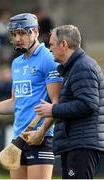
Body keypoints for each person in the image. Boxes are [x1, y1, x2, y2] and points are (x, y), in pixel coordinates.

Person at [0, 13, 63, 179]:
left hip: (41, 138)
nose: (18, 38)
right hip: (18, 139)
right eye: (14, 34)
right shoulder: (17, 63)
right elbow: (14, 103)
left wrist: (41, 131)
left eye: (22, 33)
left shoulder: (48, 59)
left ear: (35, 32)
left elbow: (57, 104)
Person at [34, 24, 104, 179]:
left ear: (63, 44)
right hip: (77, 142)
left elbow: (88, 104)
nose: (49, 48)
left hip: (81, 144)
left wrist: (53, 110)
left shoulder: (82, 67)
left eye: (51, 44)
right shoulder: (75, 67)